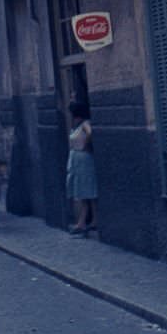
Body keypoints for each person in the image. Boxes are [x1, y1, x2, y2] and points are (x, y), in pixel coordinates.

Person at [66, 100, 98, 236]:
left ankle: (82, 223)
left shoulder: (85, 123)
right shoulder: (77, 126)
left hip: (84, 160)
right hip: (77, 162)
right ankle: (92, 221)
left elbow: (90, 133)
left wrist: (86, 144)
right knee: (85, 192)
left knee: (86, 191)